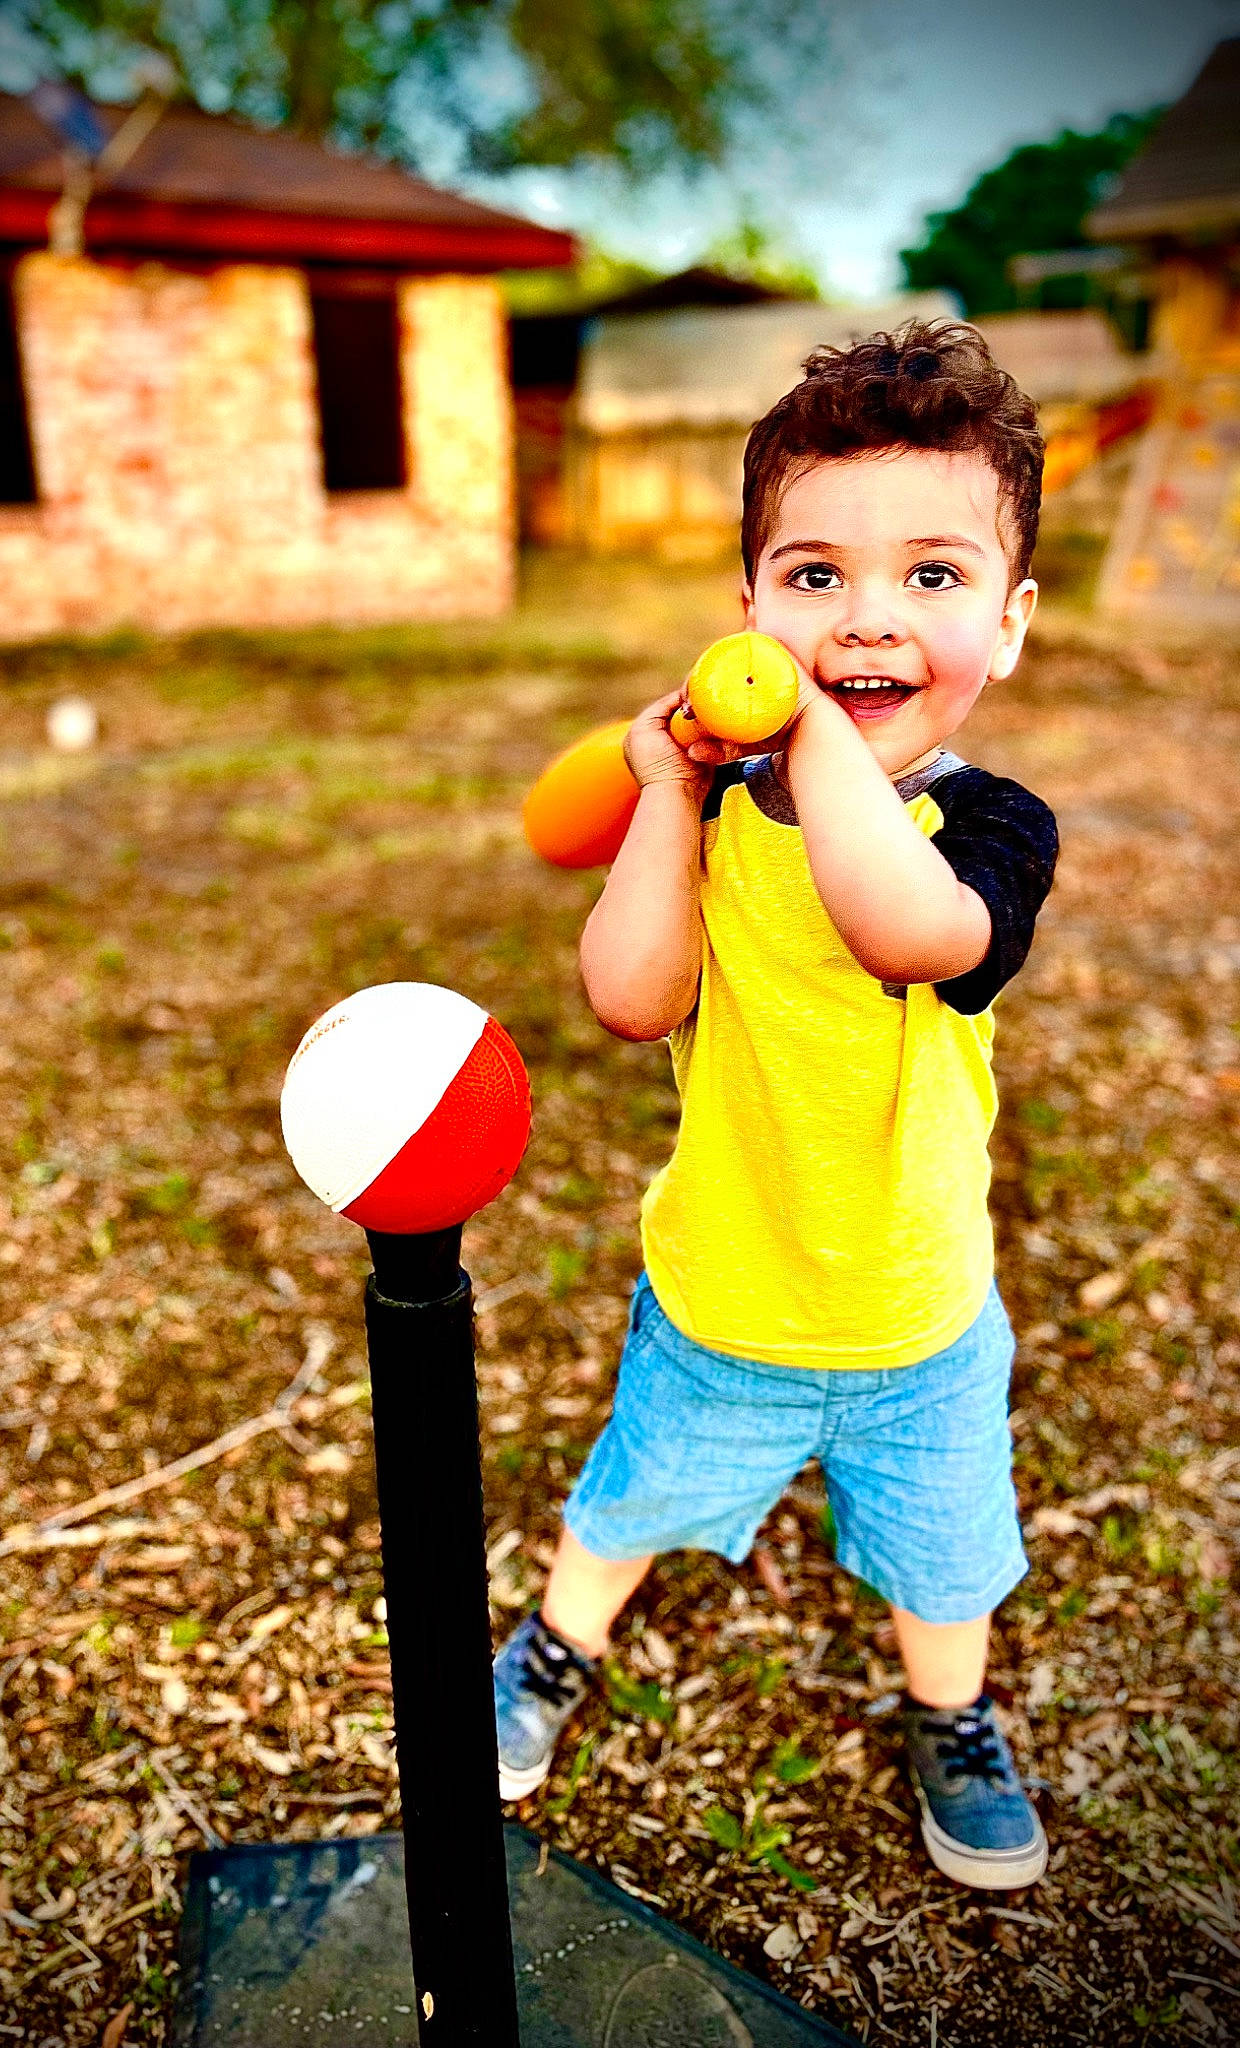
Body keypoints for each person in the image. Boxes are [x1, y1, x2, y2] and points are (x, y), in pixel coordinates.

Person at [493, 322, 1059, 1891]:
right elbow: (629, 995)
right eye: (815, 579)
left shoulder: (989, 827)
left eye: (932, 579)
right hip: (724, 1297)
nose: (867, 617)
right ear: (748, 611)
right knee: (628, 1501)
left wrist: (808, 736)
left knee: (946, 1562)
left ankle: (952, 1717)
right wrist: (669, 793)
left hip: (915, 1315)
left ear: (1007, 626)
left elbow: (909, 934)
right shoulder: (717, 814)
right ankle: (554, 1645)